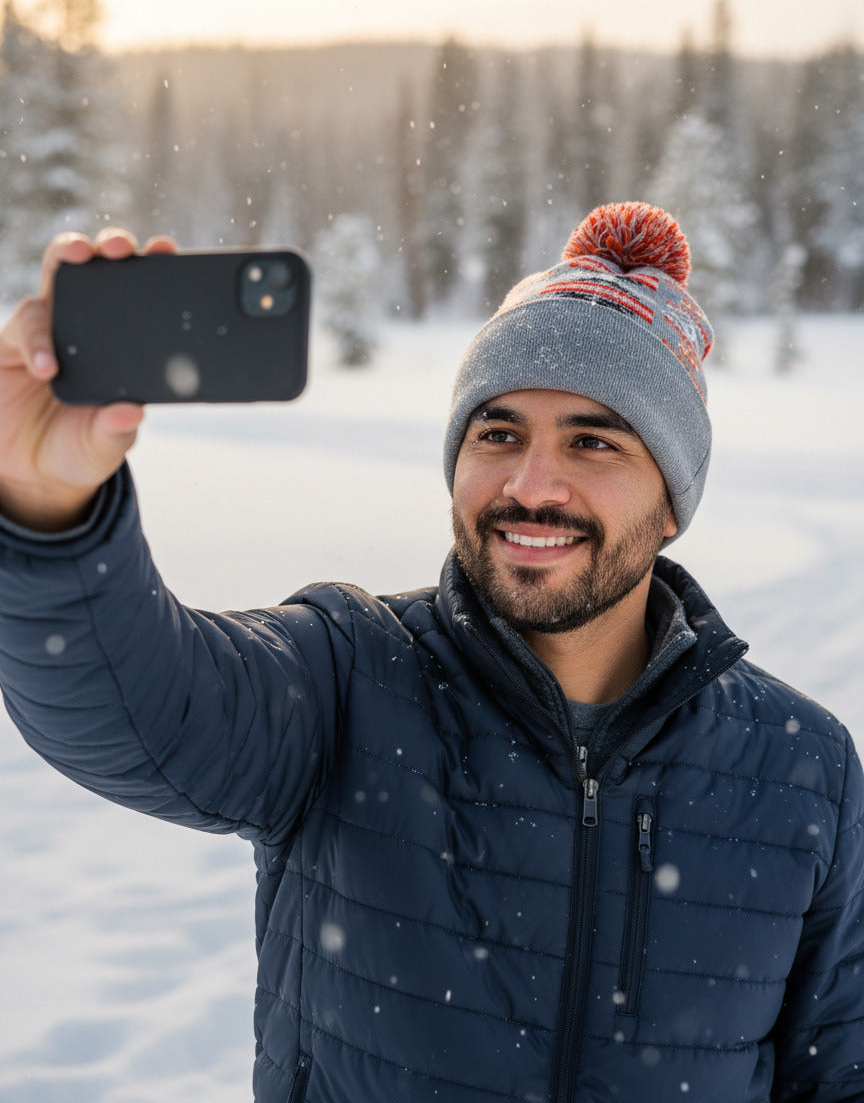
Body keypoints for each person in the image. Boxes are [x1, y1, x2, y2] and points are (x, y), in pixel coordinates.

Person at [0, 202, 861, 1103]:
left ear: (674, 497)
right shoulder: (347, 677)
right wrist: (49, 509)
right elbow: (132, 709)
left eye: (593, 441)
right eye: (498, 434)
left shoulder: (804, 770)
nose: (531, 485)